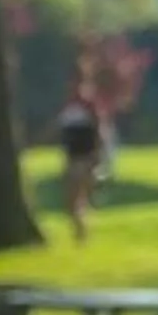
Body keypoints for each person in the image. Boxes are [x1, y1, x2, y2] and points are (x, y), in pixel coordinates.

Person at [54, 83, 106, 244]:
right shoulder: (68, 106)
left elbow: (99, 131)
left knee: (79, 194)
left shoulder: (89, 105)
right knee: (70, 198)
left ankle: (82, 233)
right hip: (71, 157)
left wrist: (97, 155)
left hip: (85, 156)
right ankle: (80, 229)